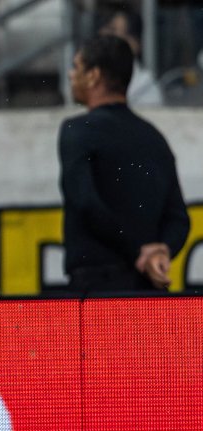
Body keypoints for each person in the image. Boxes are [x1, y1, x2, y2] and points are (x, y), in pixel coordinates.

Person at [59, 34, 189, 293]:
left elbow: (85, 202)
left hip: (96, 288)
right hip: (148, 288)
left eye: (76, 67)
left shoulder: (77, 130)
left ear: (94, 75)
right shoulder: (154, 138)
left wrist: (138, 251)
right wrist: (160, 251)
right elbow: (179, 220)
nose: (71, 75)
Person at [98, 6, 164, 107]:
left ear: (134, 44)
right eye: (105, 29)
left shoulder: (145, 87)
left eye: (113, 30)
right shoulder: (87, 76)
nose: (103, 36)